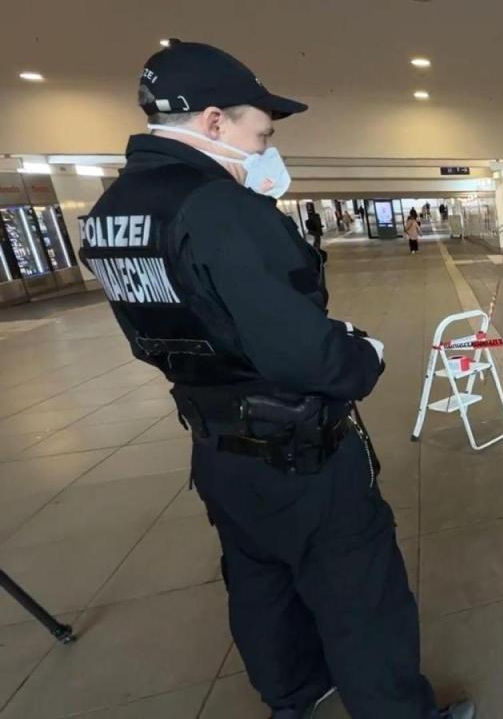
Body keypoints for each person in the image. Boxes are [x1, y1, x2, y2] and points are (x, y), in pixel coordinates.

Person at [77, 41, 474, 719]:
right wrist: (364, 355)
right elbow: (306, 357)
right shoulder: (217, 208)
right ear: (212, 122)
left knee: (259, 582)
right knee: (361, 594)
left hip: (217, 445)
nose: (264, 148)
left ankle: (293, 694)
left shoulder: (115, 213)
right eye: (258, 133)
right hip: (299, 453)